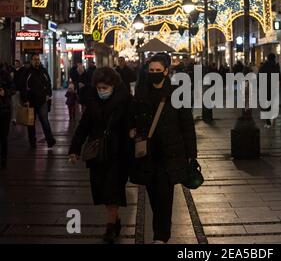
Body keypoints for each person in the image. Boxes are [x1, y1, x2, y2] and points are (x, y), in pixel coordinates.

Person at [129, 54, 197, 244]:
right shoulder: (142, 93)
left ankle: (161, 236)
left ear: (166, 71)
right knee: (154, 197)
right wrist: (132, 129)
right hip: (148, 154)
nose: (154, 74)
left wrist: (191, 154)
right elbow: (132, 116)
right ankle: (159, 231)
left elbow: (187, 125)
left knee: (165, 197)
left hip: (170, 154)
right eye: (151, 71)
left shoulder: (176, 93)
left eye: (158, 71)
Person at [68, 67, 132, 244]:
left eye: (105, 88)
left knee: (112, 190)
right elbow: (83, 127)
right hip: (97, 153)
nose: (102, 91)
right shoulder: (93, 101)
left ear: (113, 85)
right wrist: (74, 149)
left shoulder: (125, 101)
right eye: (99, 88)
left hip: (118, 153)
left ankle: (110, 227)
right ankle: (115, 219)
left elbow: (131, 125)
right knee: (102, 190)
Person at [19, 55, 56, 149]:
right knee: (31, 123)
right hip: (31, 102)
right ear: (31, 61)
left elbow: (48, 83)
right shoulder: (27, 72)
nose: (37, 61)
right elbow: (23, 86)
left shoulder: (43, 71)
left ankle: (50, 140)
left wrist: (48, 94)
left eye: (38, 59)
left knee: (45, 121)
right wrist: (25, 100)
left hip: (42, 101)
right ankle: (32, 141)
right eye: (35, 60)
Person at [259, 53, 280, 128]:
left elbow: (259, 76)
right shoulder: (275, 66)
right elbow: (278, 77)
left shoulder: (264, 66)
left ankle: (267, 119)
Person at [0, 80, 11, 169]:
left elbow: (14, 89)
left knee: (3, 136)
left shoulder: (5, 73)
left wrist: (5, 92)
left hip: (4, 110)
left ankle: (3, 159)